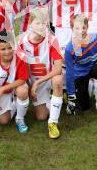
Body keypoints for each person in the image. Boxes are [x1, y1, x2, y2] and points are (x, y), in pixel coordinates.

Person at [18, 8, 64, 139]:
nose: (41, 26)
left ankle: (53, 123)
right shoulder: (21, 42)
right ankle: (54, 100)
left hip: (45, 80)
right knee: (41, 116)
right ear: (30, 23)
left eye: (44, 23)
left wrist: (38, 82)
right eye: (37, 23)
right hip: (31, 81)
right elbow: (20, 69)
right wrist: (29, 86)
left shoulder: (52, 39)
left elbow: (58, 68)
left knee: (58, 80)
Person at [64, 14, 97, 118]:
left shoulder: (95, 37)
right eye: (77, 28)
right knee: (84, 107)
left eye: (83, 27)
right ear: (72, 29)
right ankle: (88, 87)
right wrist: (71, 95)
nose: (81, 31)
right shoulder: (69, 48)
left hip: (94, 67)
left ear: (87, 27)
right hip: (80, 72)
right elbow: (70, 73)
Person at [0, 31, 30, 134]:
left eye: (10, 48)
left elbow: (23, 79)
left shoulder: (20, 57)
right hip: (2, 93)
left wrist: (3, 88)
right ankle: (15, 105)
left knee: (22, 91)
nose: (7, 52)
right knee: (4, 121)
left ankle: (20, 119)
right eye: (3, 49)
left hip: (15, 87)